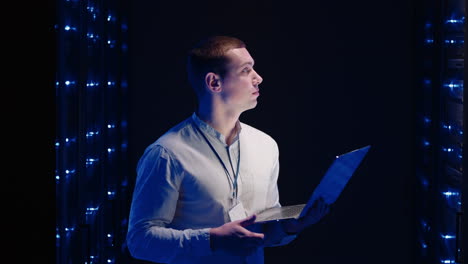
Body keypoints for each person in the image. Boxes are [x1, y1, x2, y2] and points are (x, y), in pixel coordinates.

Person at [126, 35, 330, 264]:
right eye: (246, 70)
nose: (258, 78)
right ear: (214, 82)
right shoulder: (167, 153)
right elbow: (140, 241)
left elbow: (264, 231)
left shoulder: (266, 145)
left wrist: (291, 227)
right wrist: (213, 239)